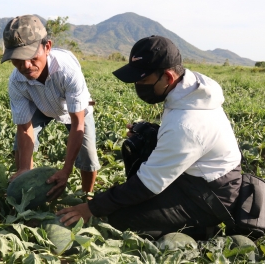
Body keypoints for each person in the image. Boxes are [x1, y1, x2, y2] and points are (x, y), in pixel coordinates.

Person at [57, 35, 243, 240]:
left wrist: (92, 208)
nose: (138, 84)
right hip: (199, 175)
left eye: (143, 80)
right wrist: (151, 132)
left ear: (168, 78)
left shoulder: (187, 124)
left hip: (210, 196)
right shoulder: (189, 89)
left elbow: (149, 184)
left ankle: (202, 230)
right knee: (141, 145)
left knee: (120, 220)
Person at [1, 15, 100, 200]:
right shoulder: (16, 81)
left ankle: (86, 196)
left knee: (88, 155)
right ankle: (26, 191)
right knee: (19, 147)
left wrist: (66, 170)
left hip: (73, 109)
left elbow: (78, 124)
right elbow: (24, 128)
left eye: (31, 57)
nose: (26, 66)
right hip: (40, 104)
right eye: (17, 59)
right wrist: (24, 168)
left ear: (47, 47)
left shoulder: (67, 71)